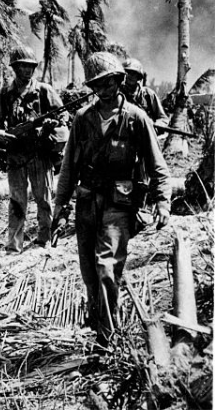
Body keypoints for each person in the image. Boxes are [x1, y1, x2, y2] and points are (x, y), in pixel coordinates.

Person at [52, 52, 170, 349]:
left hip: (119, 204)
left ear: (119, 80)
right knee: (90, 274)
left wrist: (162, 201)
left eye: (110, 82)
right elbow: (68, 168)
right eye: (98, 84)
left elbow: (157, 166)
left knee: (107, 268)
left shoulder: (136, 118)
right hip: (87, 202)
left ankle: (108, 340)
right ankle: (99, 325)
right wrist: (60, 207)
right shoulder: (83, 119)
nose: (105, 89)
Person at [0, 47, 65, 251]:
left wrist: (50, 124)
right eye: (22, 66)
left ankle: (45, 239)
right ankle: (14, 245)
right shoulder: (6, 93)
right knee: (16, 202)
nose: (27, 70)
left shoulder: (44, 91)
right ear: (14, 68)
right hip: (15, 155)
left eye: (30, 66)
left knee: (44, 199)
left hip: (40, 153)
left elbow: (62, 117)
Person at [121, 57, 169, 124]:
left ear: (138, 76)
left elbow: (163, 119)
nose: (130, 76)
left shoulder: (148, 95)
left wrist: (153, 126)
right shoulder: (117, 94)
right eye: (128, 73)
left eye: (134, 73)